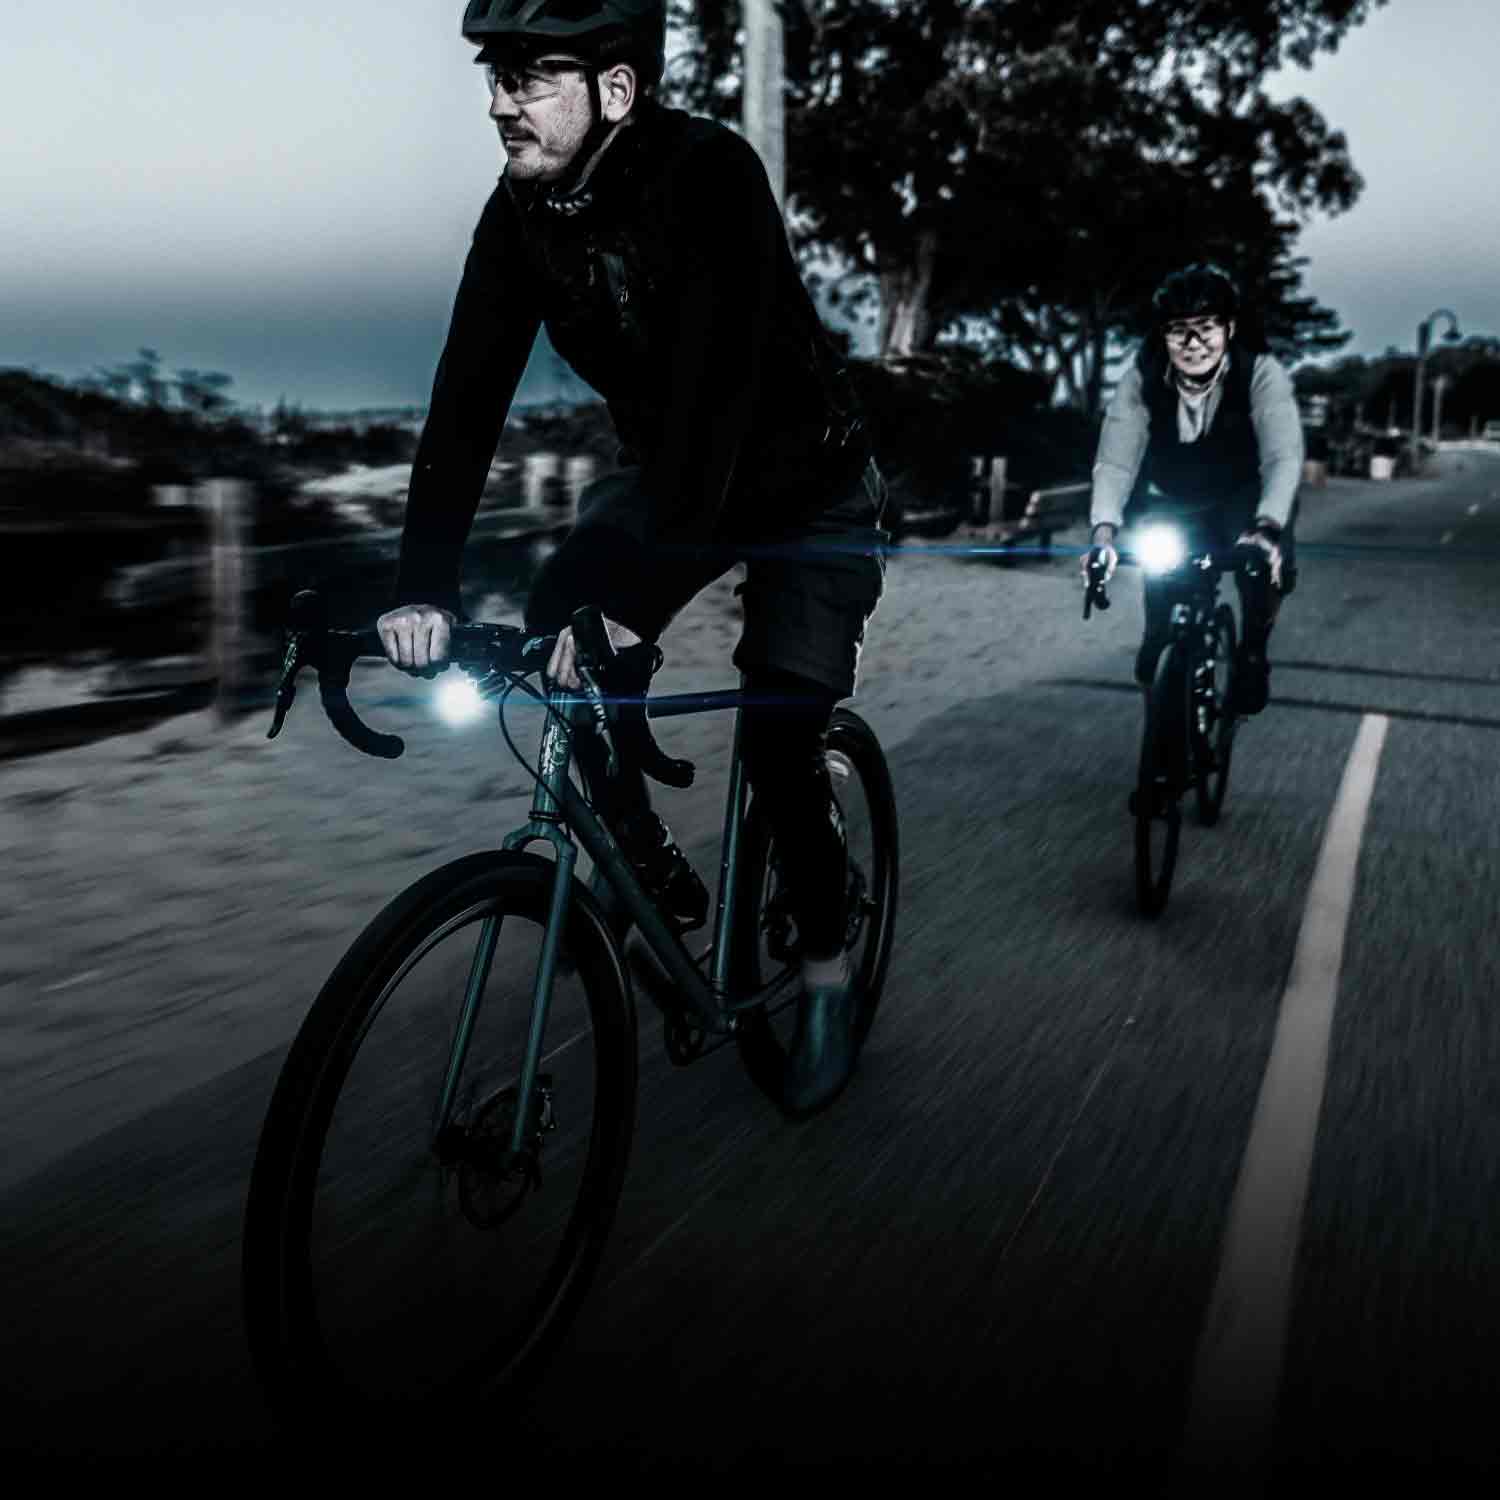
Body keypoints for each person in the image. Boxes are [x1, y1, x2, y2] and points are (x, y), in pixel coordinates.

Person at [375, 0, 887, 1114]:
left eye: (532, 72)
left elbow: (719, 401)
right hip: (669, 484)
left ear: (617, 88)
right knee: (558, 615)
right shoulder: (518, 215)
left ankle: (828, 967)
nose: (502, 98)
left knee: (780, 724)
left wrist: (636, 608)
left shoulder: (709, 174)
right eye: (494, 73)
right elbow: (466, 403)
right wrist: (420, 587)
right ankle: (641, 856)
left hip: (803, 489)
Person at [1082, 263, 1304, 714]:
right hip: (1172, 496)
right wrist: (1103, 534)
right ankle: (1160, 671)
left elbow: (1283, 456)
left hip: (1243, 495)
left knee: (1259, 568)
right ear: (1163, 336)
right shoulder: (1141, 379)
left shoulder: (1261, 374)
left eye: (1206, 328)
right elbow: (1117, 460)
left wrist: (1267, 526)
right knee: (1156, 627)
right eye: (1179, 331)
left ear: (1230, 328)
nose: (1193, 343)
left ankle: (1253, 651)